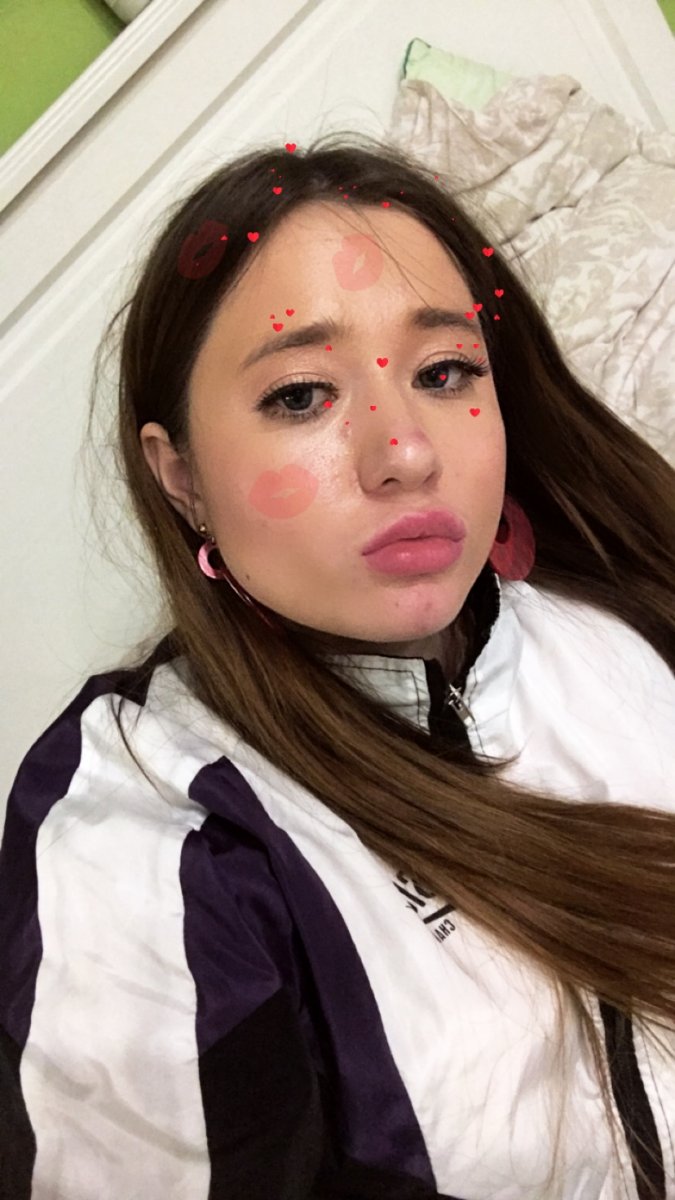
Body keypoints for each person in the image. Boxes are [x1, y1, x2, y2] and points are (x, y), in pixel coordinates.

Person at [1, 134, 674, 1200]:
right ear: (180, 476)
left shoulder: (623, 626)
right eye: (301, 395)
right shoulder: (149, 830)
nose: (404, 450)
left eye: (445, 373)